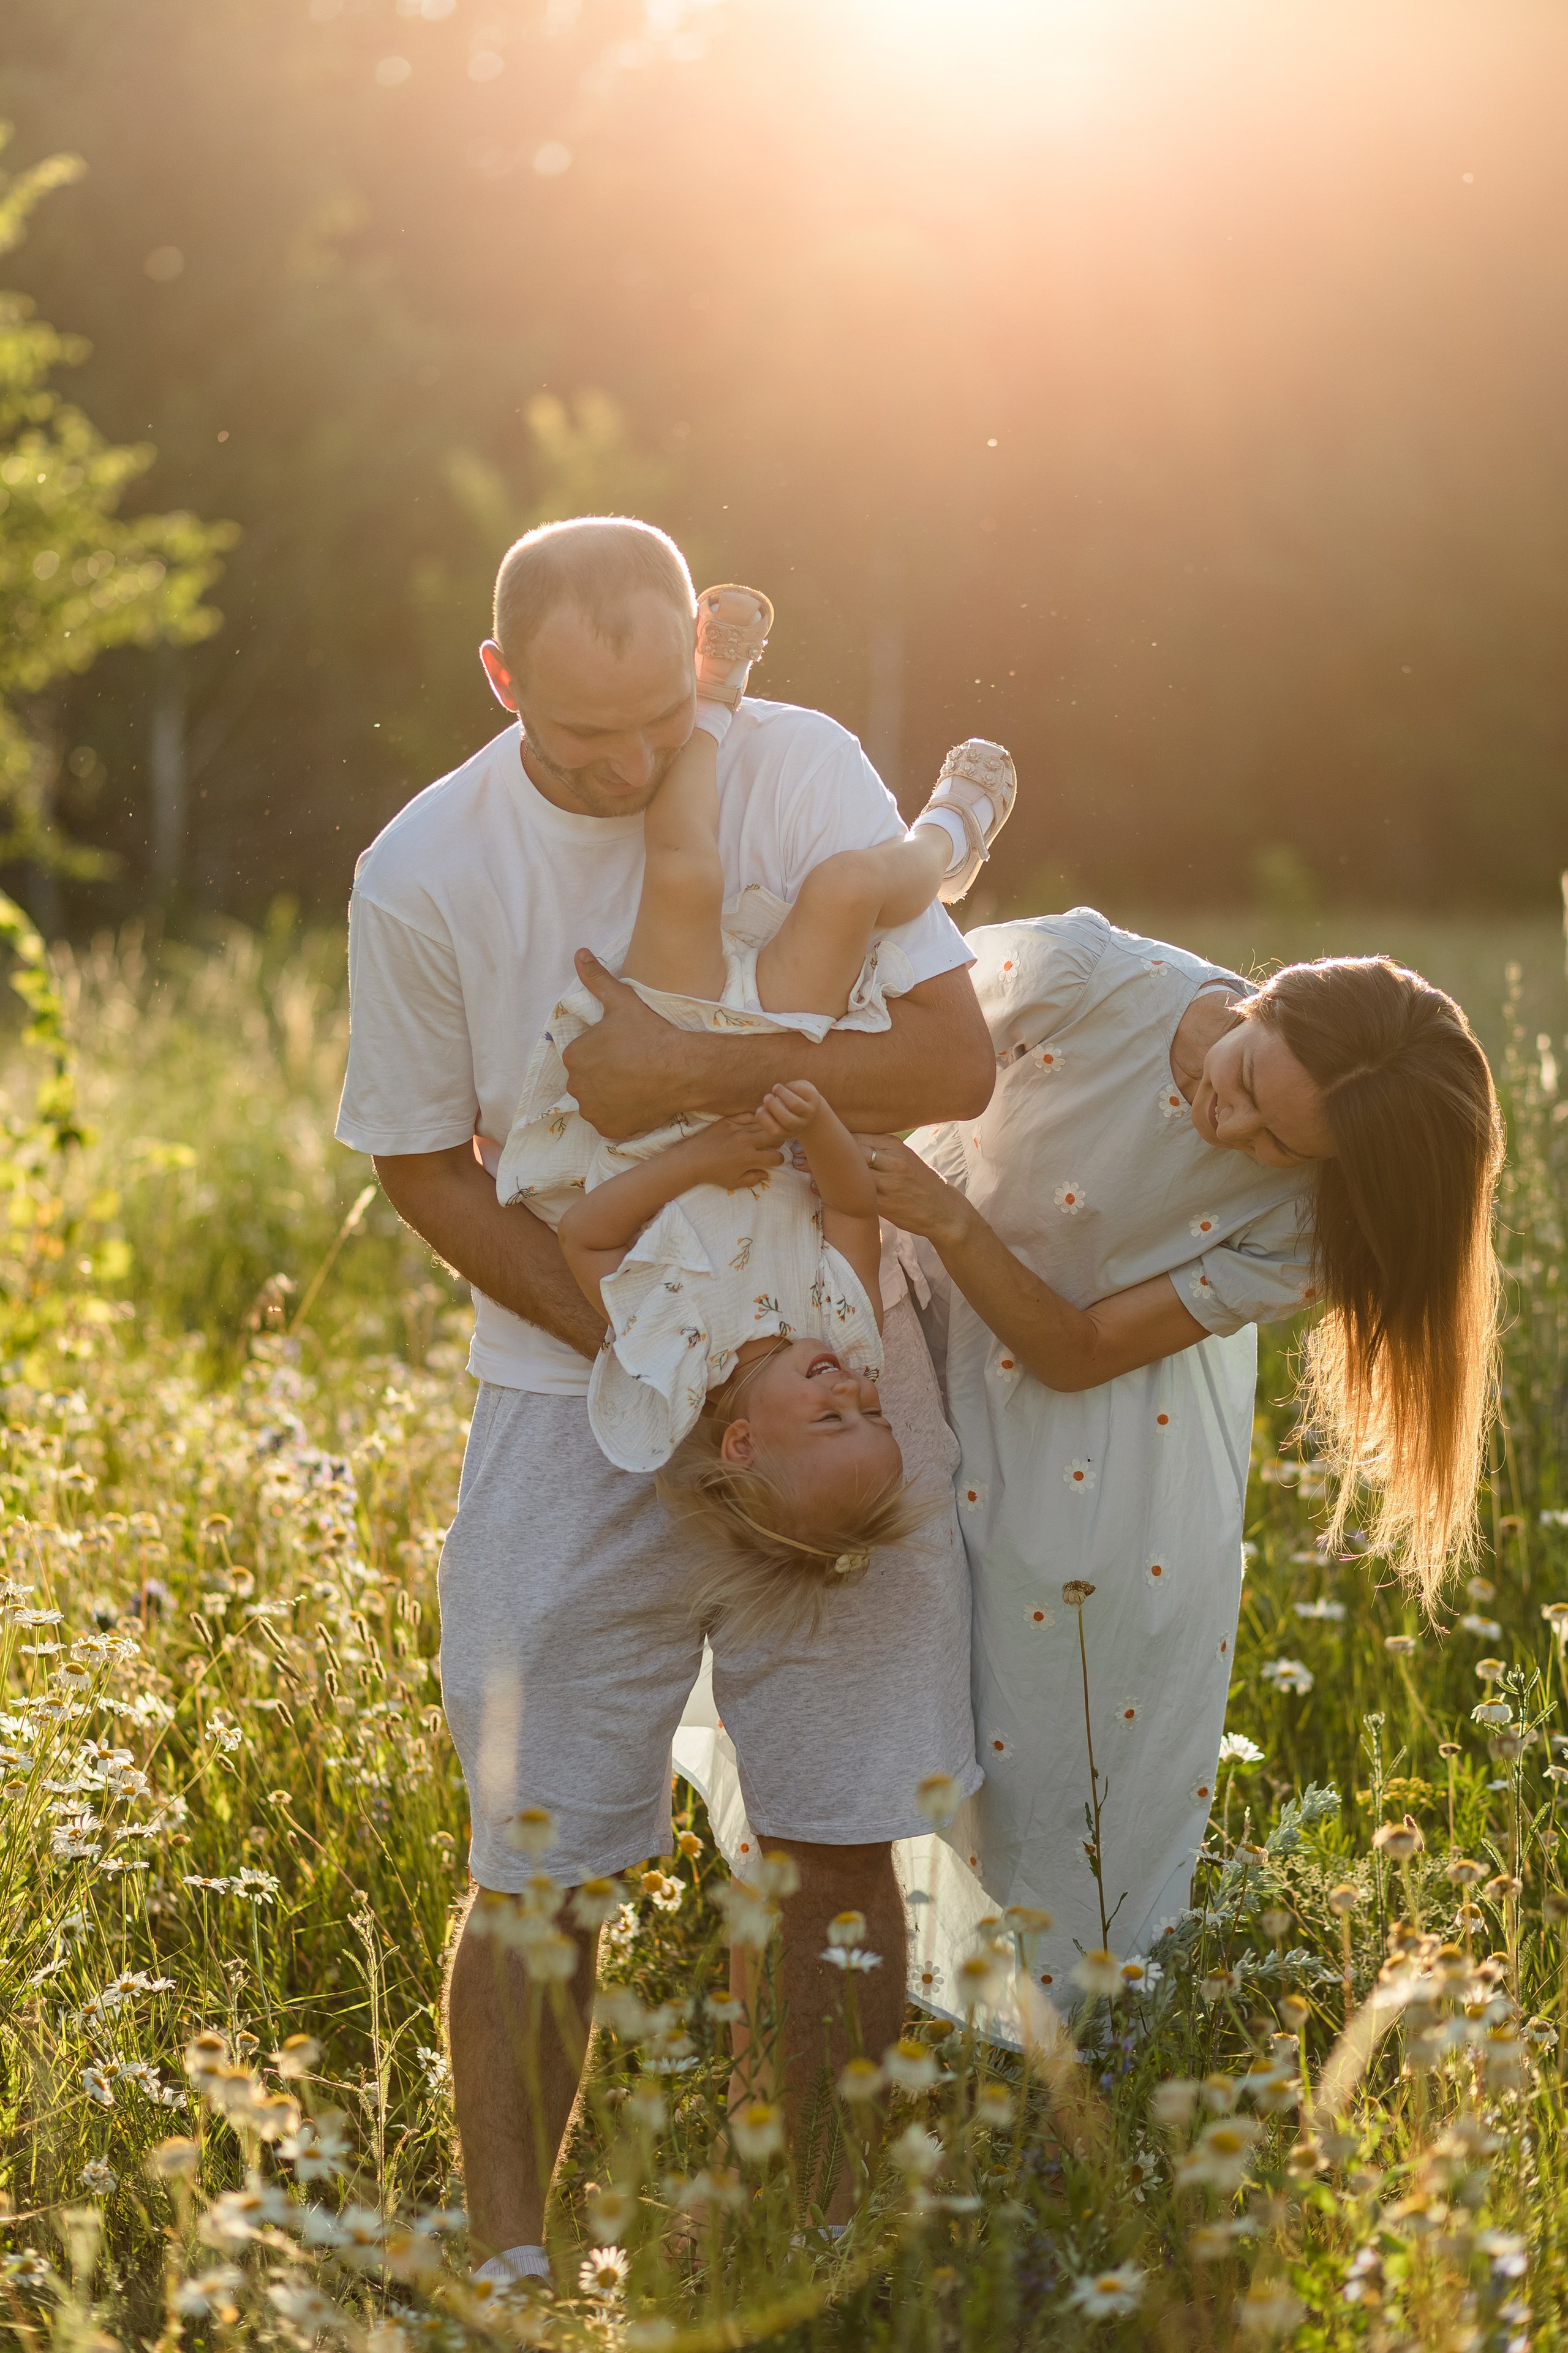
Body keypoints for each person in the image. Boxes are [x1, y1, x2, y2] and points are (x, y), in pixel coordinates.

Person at [333, 518, 995, 2281]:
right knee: (539, 1855)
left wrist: (693, 1074)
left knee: (841, 1834)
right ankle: (509, 2265)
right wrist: (623, 1337)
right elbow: (419, 1162)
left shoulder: (796, 765)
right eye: (578, 739)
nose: (629, 768)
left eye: (658, 721)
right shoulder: (423, 873)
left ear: (703, 654)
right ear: (499, 682)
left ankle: (825, 2232)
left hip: (832, 1380)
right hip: (573, 1401)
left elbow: (947, 1060)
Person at [859, 908, 1502, 2004]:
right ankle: (869, 1993)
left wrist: (949, 1213)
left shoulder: (1313, 1218)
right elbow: (876, 1031)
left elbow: (1082, 1349)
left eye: (1277, 1142)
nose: (1228, 1121)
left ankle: (1061, 2074)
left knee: (1062, 1760)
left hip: (1112, 1450)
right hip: (916, 1344)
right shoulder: (1082, 977)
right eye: (1246, 1075)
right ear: (1269, 995)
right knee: (877, 1692)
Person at [502, 583, 1019, 1625]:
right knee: (840, 891)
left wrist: (701, 1159)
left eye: (835, 1419)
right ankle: (949, 842)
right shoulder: (846, 1328)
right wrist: (815, 1121)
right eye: (874, 1411)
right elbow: (850, 1211)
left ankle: (712, 697)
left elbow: (589, 1239)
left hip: (666, 1074)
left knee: (683, 874)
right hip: (780, 1051)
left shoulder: (668, 1355)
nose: (856, 1390)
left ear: (741, 1443)